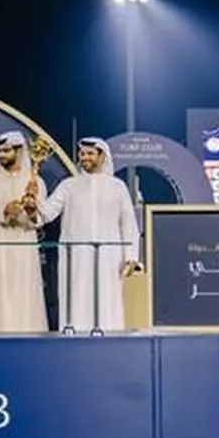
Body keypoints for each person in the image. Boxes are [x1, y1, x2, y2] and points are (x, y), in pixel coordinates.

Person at [29, 137, 139, 333]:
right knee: (75, 297)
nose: (84, 157)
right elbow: (47, 213)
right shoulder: (69, 185)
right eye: (82, 154)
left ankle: (109, 341)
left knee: (107, 300)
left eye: (90, 153)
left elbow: (129, 224)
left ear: (102, 156)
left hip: (108, 257)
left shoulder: (117, 186)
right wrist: (32, 206)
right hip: (75, 256)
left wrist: (131, 257)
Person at [0, 131, 48, 333]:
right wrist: (4, 211)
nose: (1, 155)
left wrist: (32, 212)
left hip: (24, 247)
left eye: (6, 151)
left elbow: (41, 218)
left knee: (24, 296)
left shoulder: (35, 181)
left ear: (19, 151)